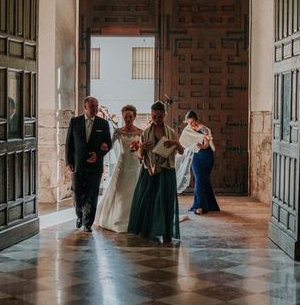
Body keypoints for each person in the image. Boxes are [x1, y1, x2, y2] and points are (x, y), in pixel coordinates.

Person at [128, 101, 184, 242]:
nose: (157, 120)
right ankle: (146, 230)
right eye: (154, 117)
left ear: (165, 115)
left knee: (165, 202)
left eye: (160, 117)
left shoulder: (171, 132)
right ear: (151, 116)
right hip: (150, 171)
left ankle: (166, 232)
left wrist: (175, 143)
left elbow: (182, 151)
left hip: (167, 171)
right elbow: (139, 156)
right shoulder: (146, 133)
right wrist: (142, 148)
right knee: (147, 201)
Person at [65, 96, 112, 232]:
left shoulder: (103, 124)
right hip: (78, 165)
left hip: (95, 165)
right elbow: (69, 144)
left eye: (96, 106)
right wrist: (69, 162)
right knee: (77, 192)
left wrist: (98, 154)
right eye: (92, 106)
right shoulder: (75, 122)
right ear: (85, 108)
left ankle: (88, 223)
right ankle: (79, 215)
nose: (95, 109)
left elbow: (108, 144)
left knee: (92, 194)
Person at [94, 104, 143, 232]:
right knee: (120, 191)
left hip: (136, 164)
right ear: (122, 116)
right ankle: (118, 219)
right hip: (123, 163)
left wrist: (139, 148)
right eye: (125, 116)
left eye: (130, 116)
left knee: (135, 190)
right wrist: (102, 147)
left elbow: (143, 149)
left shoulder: (140, 132)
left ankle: (136, 218)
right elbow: (109, 145)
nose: (128, 119)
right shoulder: (118, 132)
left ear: (134, 117)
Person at [181, 110, 220, 215]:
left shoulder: (204, 129)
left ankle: (201, 206)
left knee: (204, 180)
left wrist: (201, 146)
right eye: (189, 122)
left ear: (196, 120)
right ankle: (205, 205)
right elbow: (183, 143)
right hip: (196, 157)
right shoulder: (187, 130)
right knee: (199, 179)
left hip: (206, 156)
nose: (191, 124)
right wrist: (191, 147)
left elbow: (207, 144)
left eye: (193, 122)